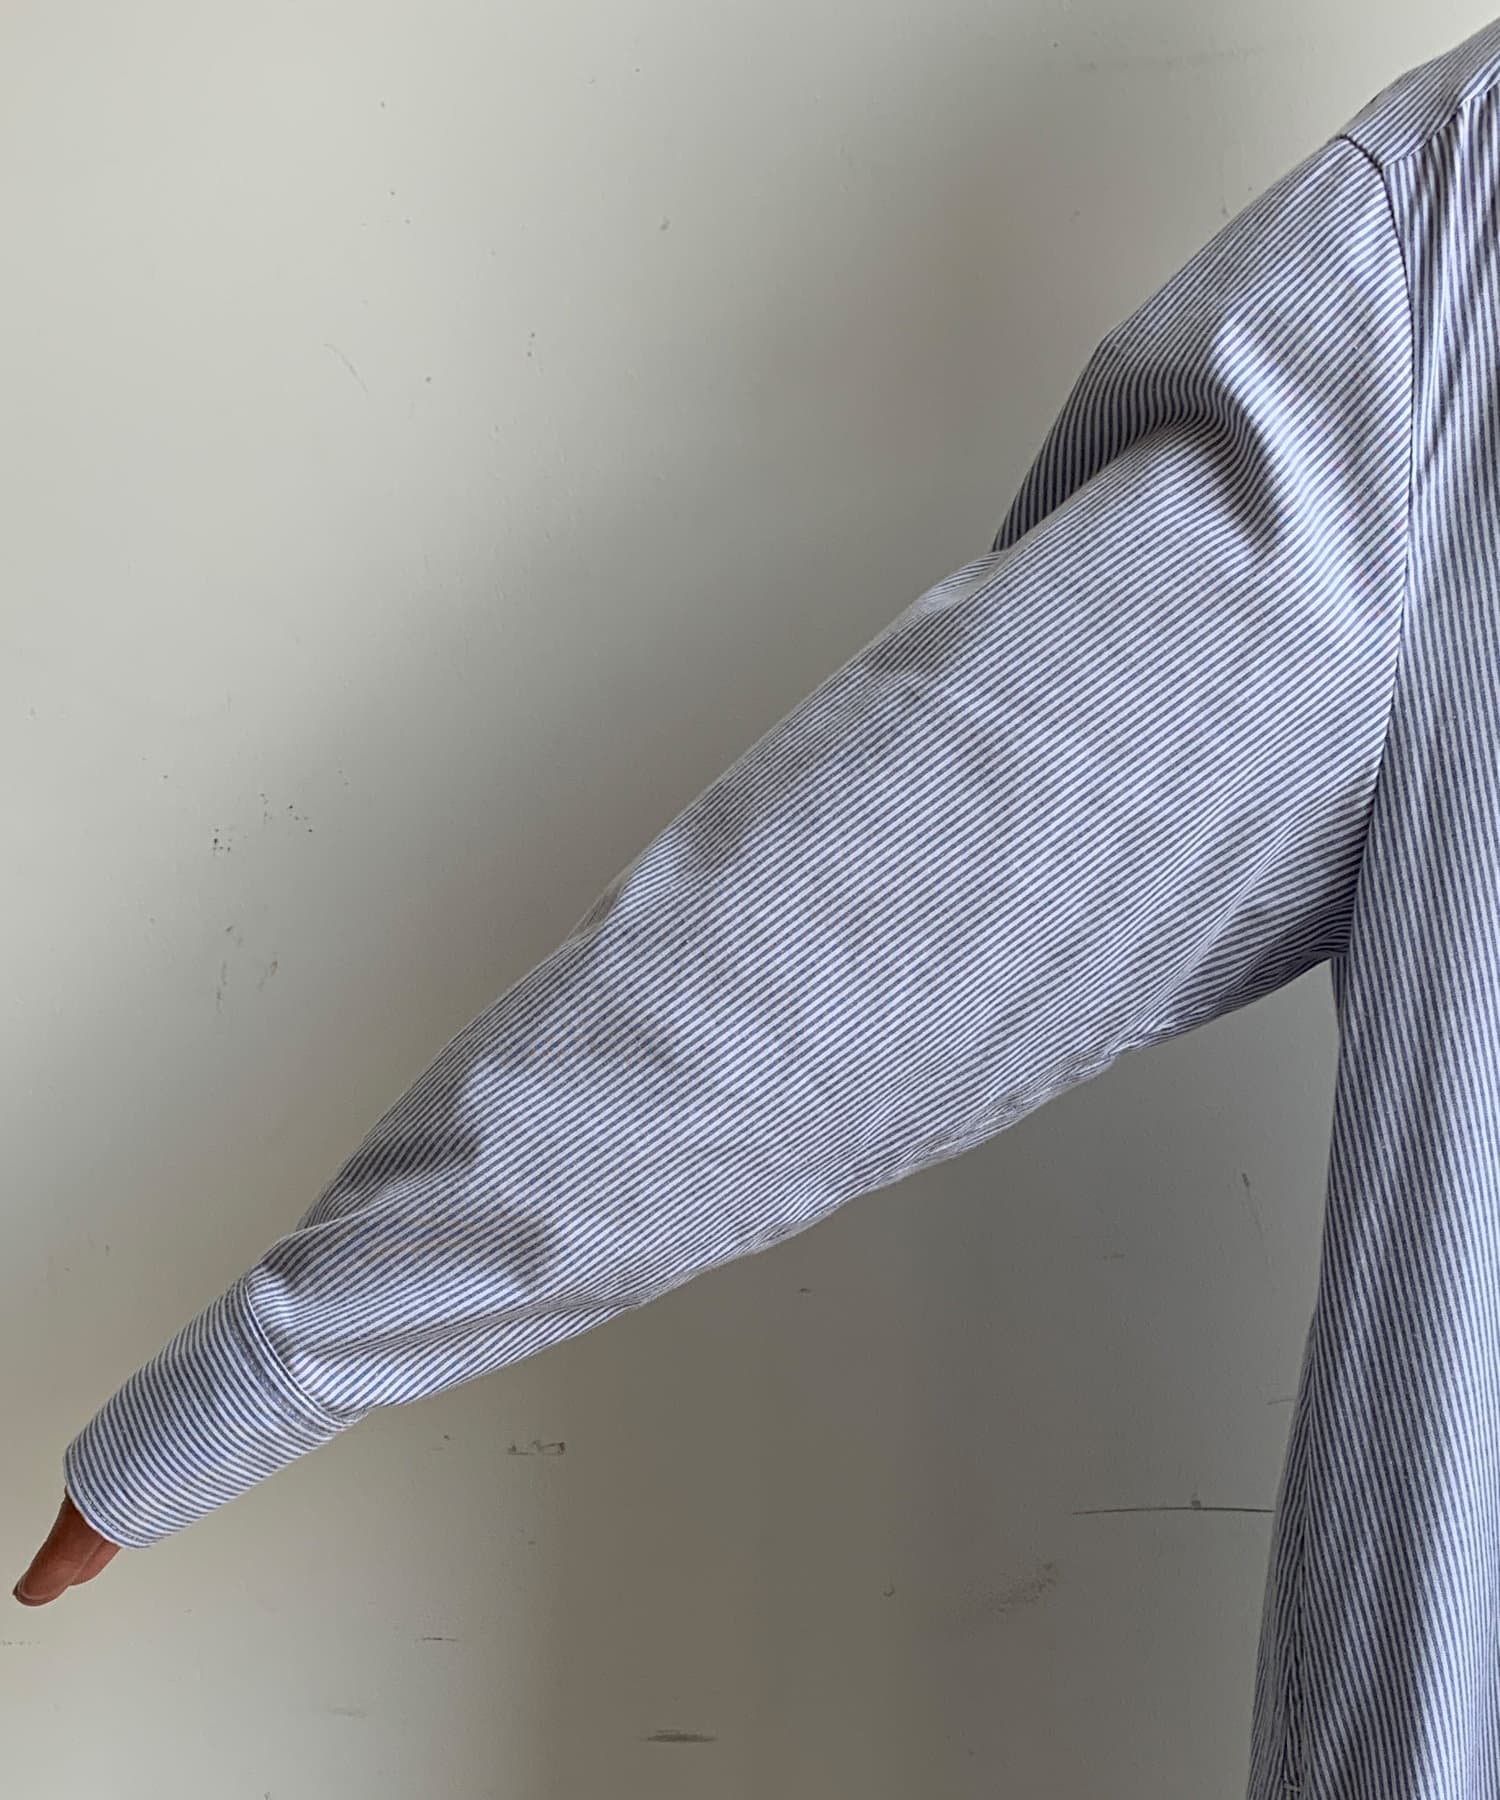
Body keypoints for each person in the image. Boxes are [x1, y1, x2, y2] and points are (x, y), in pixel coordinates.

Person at [25, 17, 1500, 1796]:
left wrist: (275, 1359)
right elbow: (893, 896)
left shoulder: (1449, 255)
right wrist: (277, 1358)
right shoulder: (1445, 270)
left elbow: (880, 900)